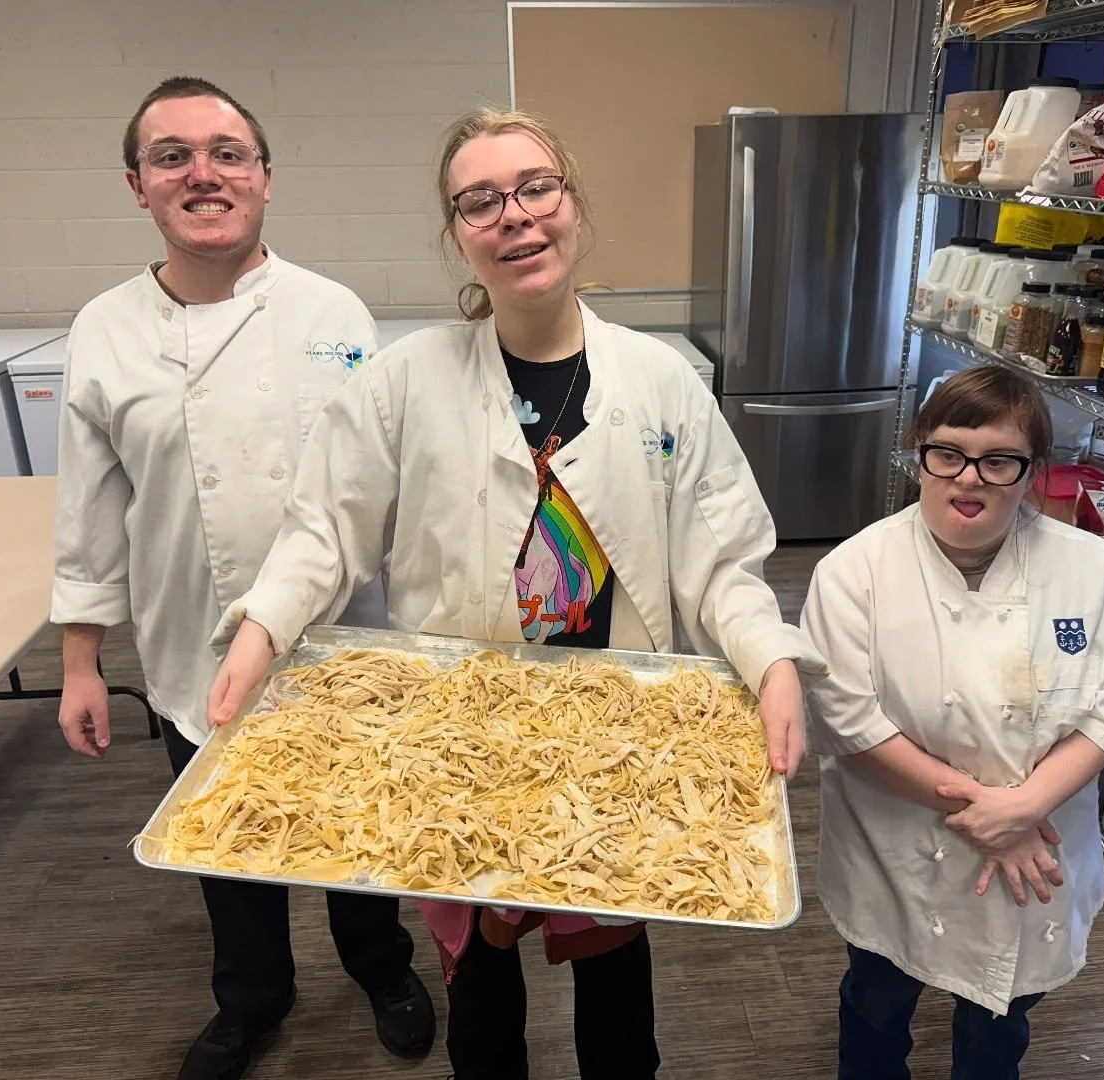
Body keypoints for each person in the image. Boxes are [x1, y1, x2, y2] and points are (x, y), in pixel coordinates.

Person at [205, 106, 825, 1080]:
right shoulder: (404, 381)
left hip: (614, 731)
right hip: (465, 733)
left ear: (571, 203)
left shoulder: (660, 381)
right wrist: (264, 627)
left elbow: (721, 560)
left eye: (537, 187)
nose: (515, 216)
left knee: (618, 1002)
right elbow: (327, 526)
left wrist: (771, 659)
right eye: (480, 201)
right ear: (456, 233)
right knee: (482, 995)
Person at [50, 75, 435, 1080]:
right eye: (171, 155)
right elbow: (88, 510)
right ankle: (252, 999)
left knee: (357, 828)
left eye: (226, 152)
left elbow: (378, 491)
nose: (202, 173)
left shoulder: (333, 311)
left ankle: (384, 967)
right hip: (189, 638)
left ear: (263, 176)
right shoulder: (104, 328)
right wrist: (82, 661)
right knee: (228, 845)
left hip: (343, 635)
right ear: (138, 184)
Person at [800, 366, 1104, 1080]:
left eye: (998, 461)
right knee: (876, 1001)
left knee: (1001, 1023)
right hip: (897, 844)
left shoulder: (1098, 574)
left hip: (1038, 848)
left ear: (1032, 473)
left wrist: (1025, 807)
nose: (969, 479)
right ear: (919, 453)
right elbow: (847, 719)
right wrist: (996, 814)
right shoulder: (855, 572)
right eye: (948, 453)